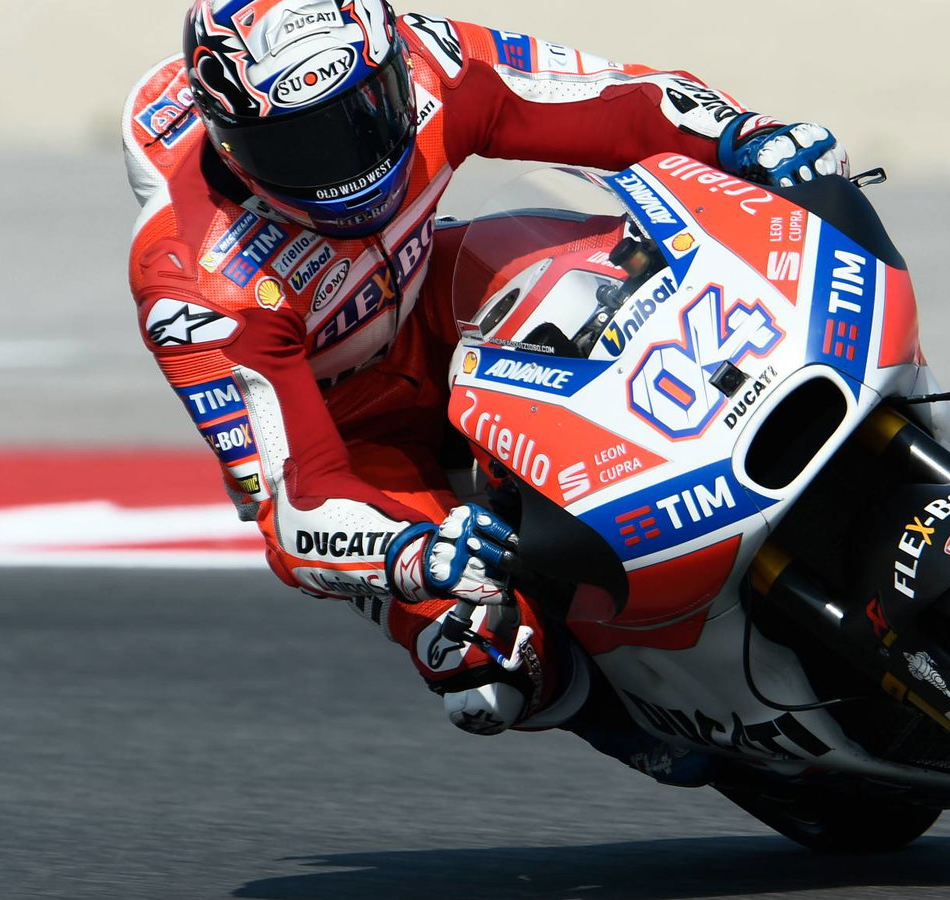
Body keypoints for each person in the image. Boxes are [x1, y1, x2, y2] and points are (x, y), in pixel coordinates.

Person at [122, 0, 854, 767]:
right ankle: (640, 727)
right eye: (301, 146)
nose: (348, 163)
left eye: (366, 112)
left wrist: (742, 135)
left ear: (392, 64)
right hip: (345, 433)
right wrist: (410, 555)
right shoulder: (193, 283)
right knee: (481, 664)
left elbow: (614, 101)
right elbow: (292, 503)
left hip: (441, 301)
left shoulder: (432, 59)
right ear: (231, 143)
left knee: (640, 262)